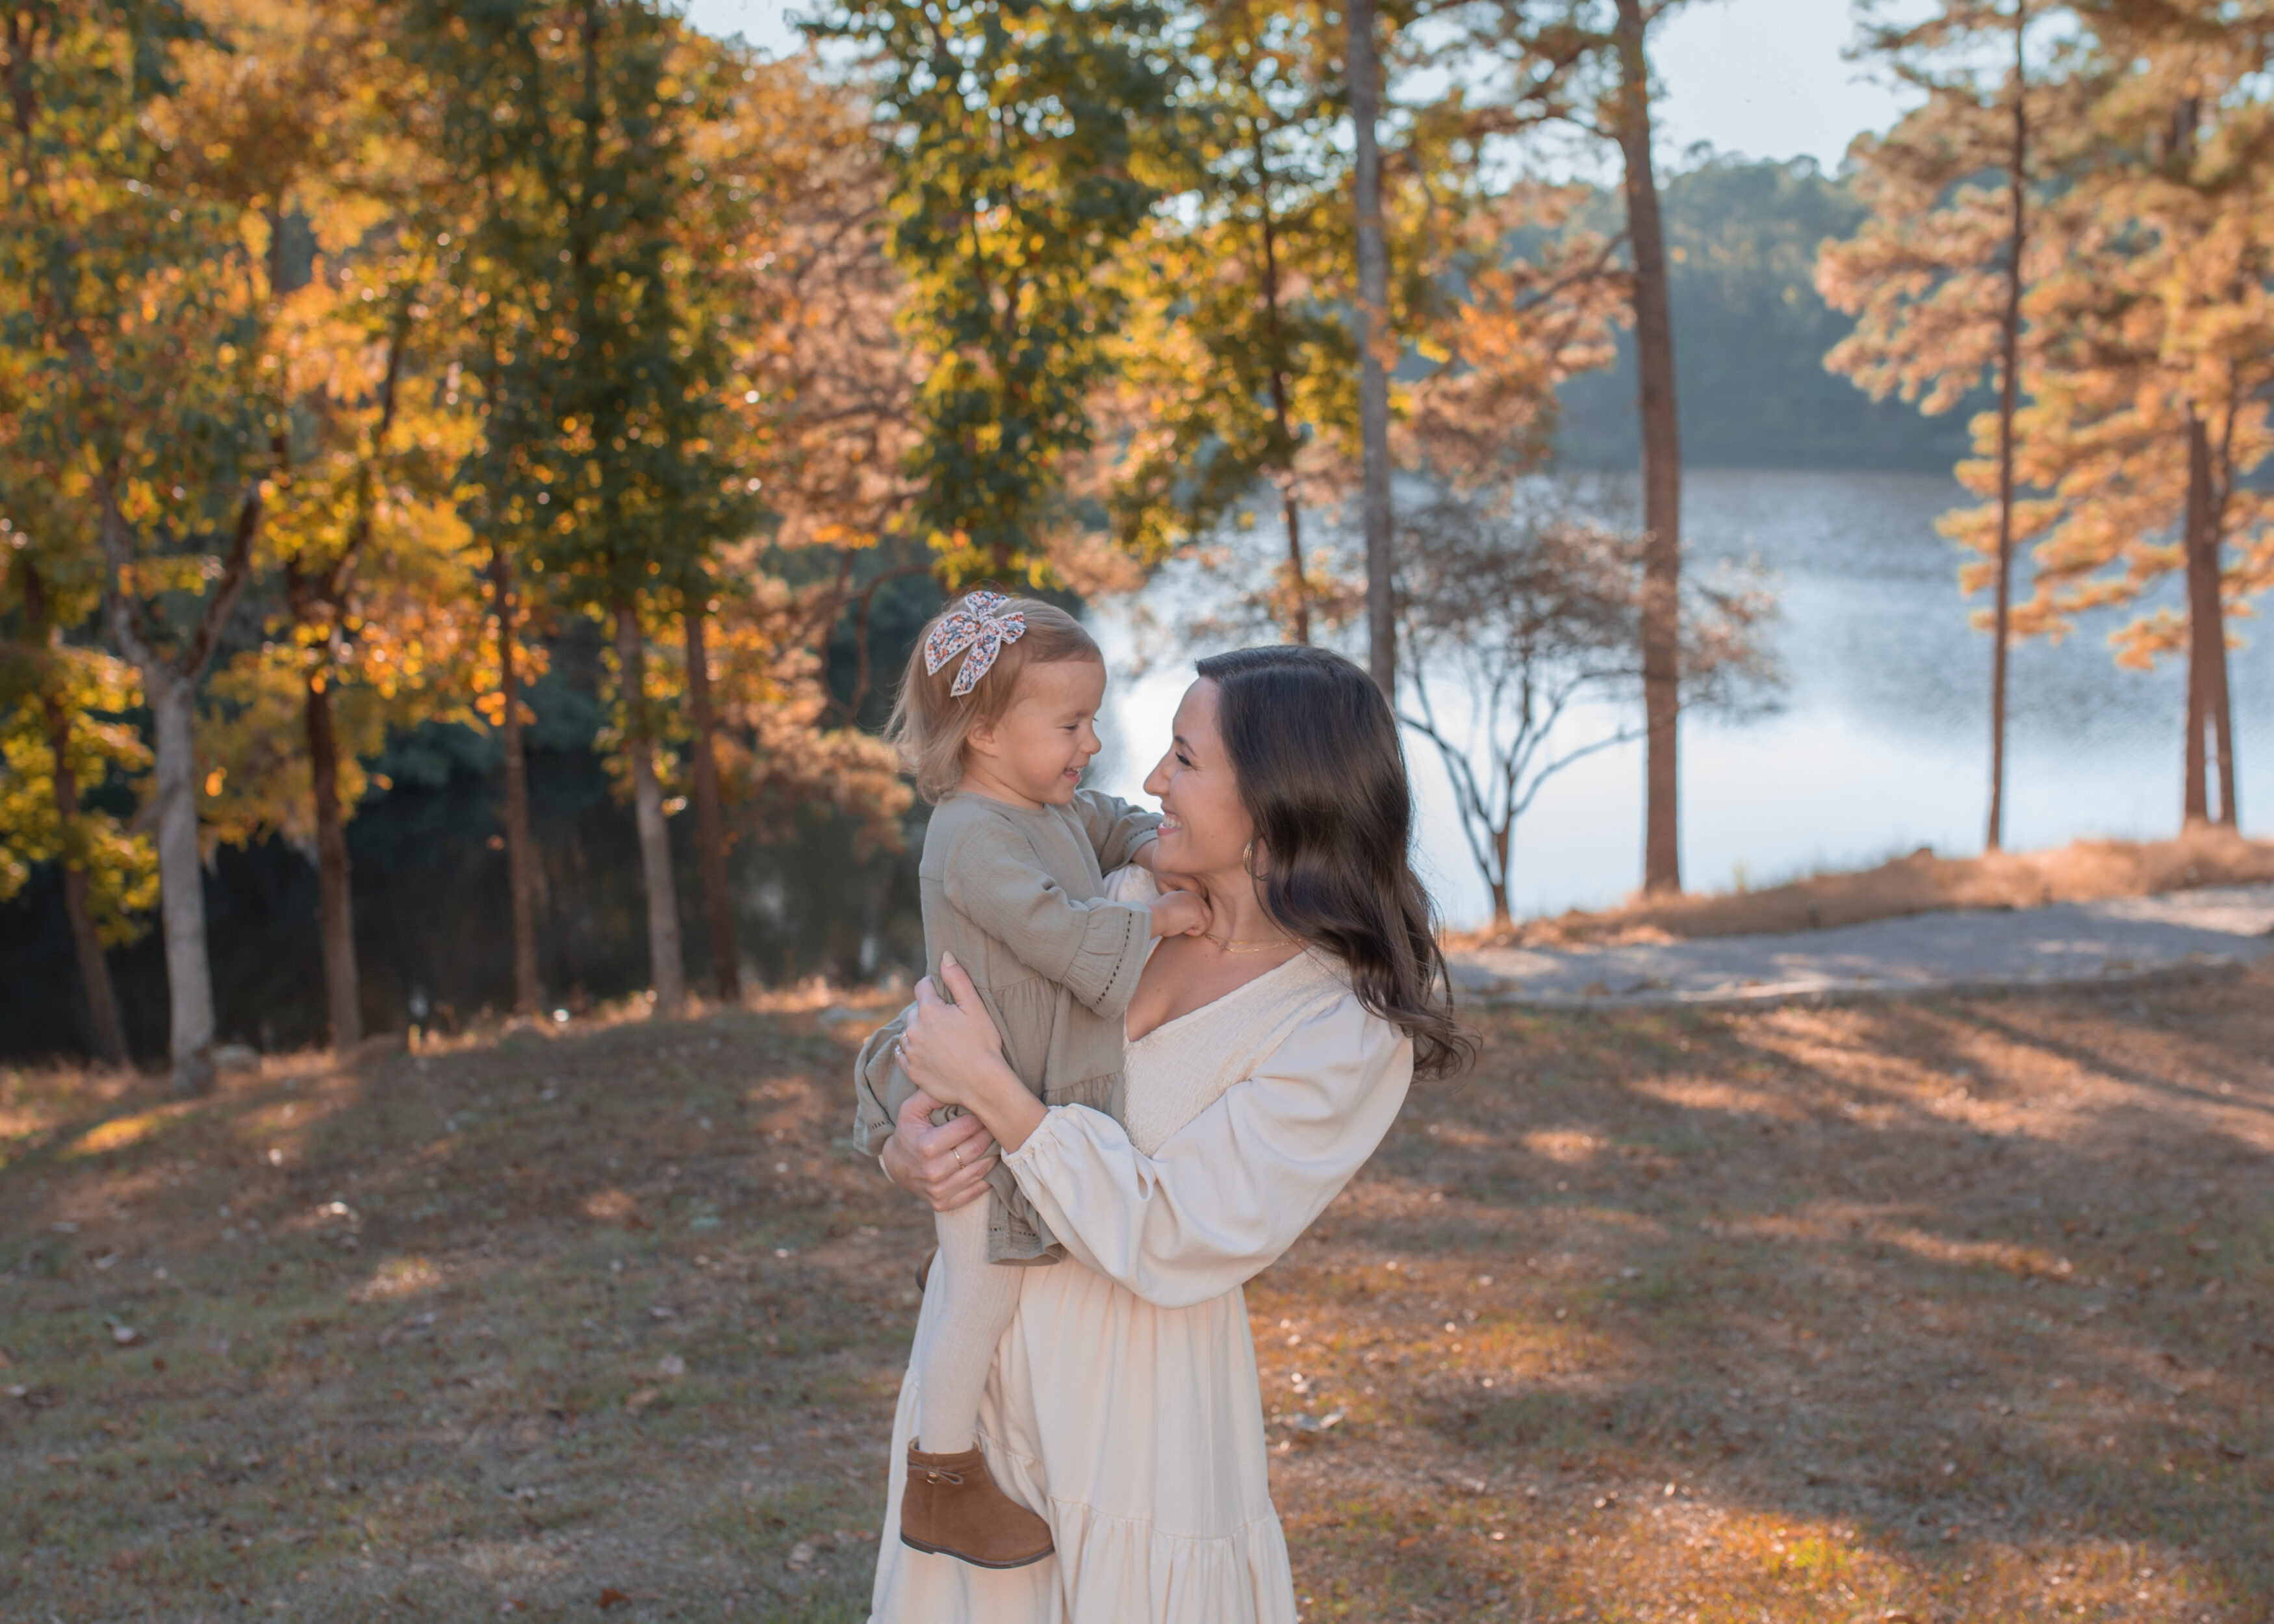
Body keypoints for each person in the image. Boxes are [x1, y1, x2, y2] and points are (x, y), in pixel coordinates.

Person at [869, 644, 1472, 1623]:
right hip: (978, 1386)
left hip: (1137, 1418)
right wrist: (910, 1141)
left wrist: (1004, 1101)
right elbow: (935, 1032)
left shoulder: (1338, 1030)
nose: (1150, 781)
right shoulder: (1120, 904)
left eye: (1185, 760)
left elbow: (1179, 1232)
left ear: (1279, 799)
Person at [850, 590, 1212, 1568]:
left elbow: (1097, 818)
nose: (1091, 741)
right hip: (977, 1109)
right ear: (981, 732)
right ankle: (943, 1477)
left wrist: (1143, 843)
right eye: (1070, 724)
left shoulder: (1034, 803)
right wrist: (1159, 920)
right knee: (980, 1285)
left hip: (1011, 1087)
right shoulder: (970, 836)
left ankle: (959, 1444)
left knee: (990, 1275)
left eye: (1091, 719)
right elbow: (1056, 934)